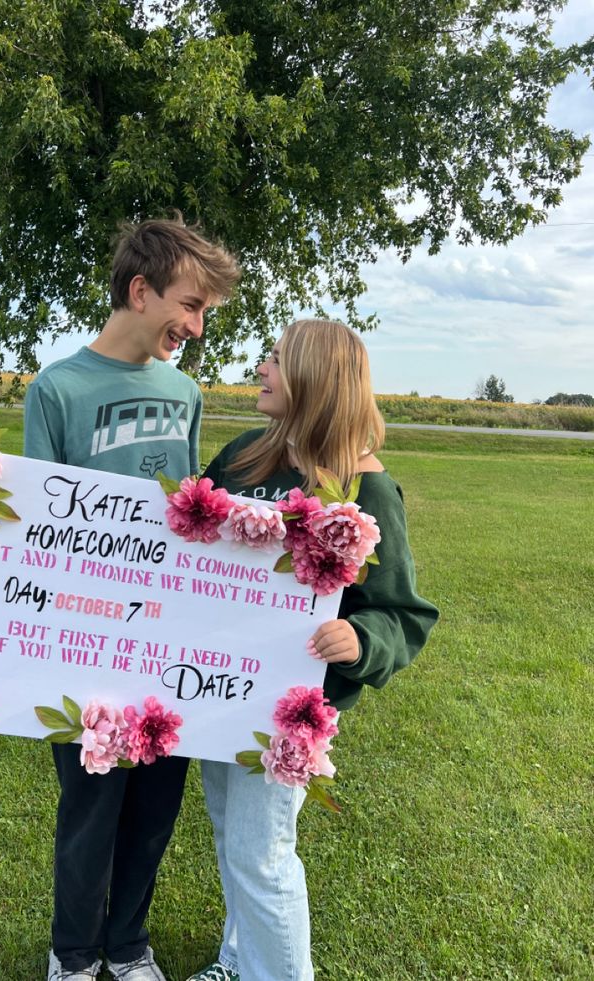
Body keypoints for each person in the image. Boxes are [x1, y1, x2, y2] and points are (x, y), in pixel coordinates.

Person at [0, 215, 240, 981]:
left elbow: (187, 518)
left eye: (202, 316)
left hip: (166, 638)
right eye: (188, 306)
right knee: (92, 806)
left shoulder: (184, 392)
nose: (194, 325)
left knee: (155, 807)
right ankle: (74, 954)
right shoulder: (58, 388)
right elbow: (31, 528)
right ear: (139, 289)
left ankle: (128, 947)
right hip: (82, 641)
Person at [184, 319, 439, 981]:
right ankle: (236, 957)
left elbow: (402, 613)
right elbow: (182, 546)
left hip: (289, 709)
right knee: (230, 837)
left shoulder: (365, 487)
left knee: (261, 853)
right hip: (217, 688)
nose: (261, 368)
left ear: (316, 378)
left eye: (274, 358)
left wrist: (361, 638)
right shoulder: (244, 456)